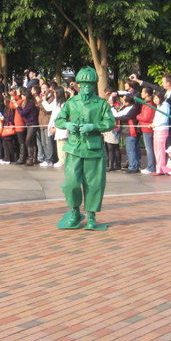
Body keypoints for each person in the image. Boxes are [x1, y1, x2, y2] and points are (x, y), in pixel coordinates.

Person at [54, 66, 115, 230]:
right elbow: (58, 120)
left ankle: (91, 216)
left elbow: (110, 122)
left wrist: (93, 126)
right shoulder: (71, 102)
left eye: (90, 84)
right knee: (72, 183)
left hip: (93, 148)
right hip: (74, 148)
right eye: (83, 84)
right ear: (78, 85)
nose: (86, 87)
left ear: (94, 85)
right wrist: (67, 123)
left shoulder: (101, 104)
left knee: (94, 184)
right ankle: (74, 211)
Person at [112, 94, 141, 173]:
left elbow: (121, 116)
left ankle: (133, 166)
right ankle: (135, 164)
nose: (122, 101)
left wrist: (112, 108)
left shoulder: (132, 108)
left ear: (127, 102)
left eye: (123, 99)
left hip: (131, 130)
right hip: (127, 130)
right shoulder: (127, 107)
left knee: (131, 149)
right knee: (133, 149)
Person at [44, 87, 68, 168]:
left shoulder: (64, 104)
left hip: (62, 126)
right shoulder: (56, 102)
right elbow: (48, 108)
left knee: (62, 144)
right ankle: (61, 160)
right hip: (57, 125)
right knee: (59, 143)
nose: (54, 94)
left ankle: (63, 160)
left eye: (55, 93)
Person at [15, 88, 39, 166]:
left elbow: (23, 113)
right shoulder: (27, 103)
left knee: (28, 141)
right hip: (28, 123)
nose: (22, 96)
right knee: (31, 141)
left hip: (33, 123)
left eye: (23, 95)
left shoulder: (30, 103)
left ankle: (31, 158)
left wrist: (17, 107)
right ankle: (32, 158)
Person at [136, 86, 155, 174]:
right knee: (149, 148)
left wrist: (138, 116)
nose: (141, 94)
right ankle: (151, 166)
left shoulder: (149, 104)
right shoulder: (146, 103)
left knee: (149, 148)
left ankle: (151, 167)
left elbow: (146, 117)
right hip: (146, 127)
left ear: (147, 94)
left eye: (142, 92)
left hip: (147, 128)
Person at [150, 92, 170, 175]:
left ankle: (160, 169)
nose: (155, 100)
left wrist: (155, 124)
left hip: (162, 129)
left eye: (157, 98)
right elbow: (156, 118)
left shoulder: (165, 105)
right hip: (156, 129)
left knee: (160, 149)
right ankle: (158, 167)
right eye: (154, 99)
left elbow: (164, 119)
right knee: (156, 149)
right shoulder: (158, 106)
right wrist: (153, 124)